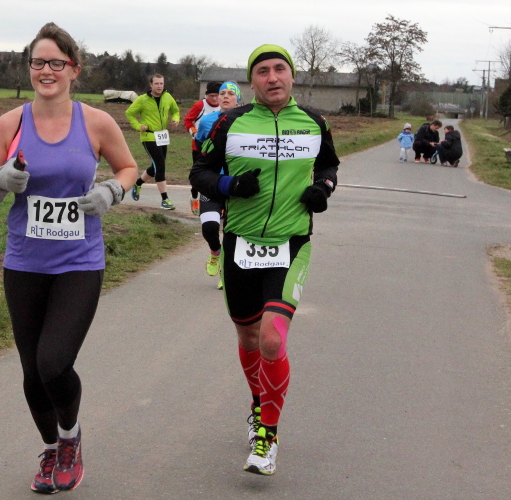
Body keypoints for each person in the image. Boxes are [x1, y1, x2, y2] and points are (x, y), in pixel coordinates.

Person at [0, 22, 137, 494]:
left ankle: (70, 438)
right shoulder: (9, 124)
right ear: (29, 68)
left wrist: (110, 191)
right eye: (38, 62)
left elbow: (128, 167)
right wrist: (0, 181)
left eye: (56, 63)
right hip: (24, 262)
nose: (46, 71)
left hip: (79, 262)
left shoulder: (96, 122)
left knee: (54, 362)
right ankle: (51, 450)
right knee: (31, 371)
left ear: (73, 69)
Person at [189, 44, 339, 476]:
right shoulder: (229, 122)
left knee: (272, 338)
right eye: (262, 71)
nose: (272, 77)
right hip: (240, 243)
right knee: (250, 337)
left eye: (279, 69)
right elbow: (199, 173)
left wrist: (322, 189)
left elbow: (329, 167)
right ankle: (259, 404)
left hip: (291, 243)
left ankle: (267, 437)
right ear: (251, 81)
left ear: (291, 75)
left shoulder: (314, 122)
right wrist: (230, 186)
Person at [193, 81, 242, 289]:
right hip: (212, 182)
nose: (225, 96)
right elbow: (198, 149)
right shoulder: (206, 121)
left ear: (238, 99)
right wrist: (197, 179)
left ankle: (225, 270)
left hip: (235, 184)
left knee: (231, 232)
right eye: (222, 93)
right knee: (209, 227)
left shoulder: (245, 121)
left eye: (231, 93)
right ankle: (215, 251)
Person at [125, 74, 181, 210]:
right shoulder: (142, 100)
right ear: (151, 85)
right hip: (148, 136)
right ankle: (165, 199)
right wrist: (138, 126)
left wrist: (176, 119)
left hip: (162, 136)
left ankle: (138, 183)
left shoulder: (168, 97)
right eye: (156, 83)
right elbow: (129, 113)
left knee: (156, 166)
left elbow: (175, 111)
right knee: (160, 165)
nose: (159, 86)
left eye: (161, 83)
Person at [184, 81, 221, 214]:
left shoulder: (223, 106)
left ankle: (211, 202)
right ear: (206, 95)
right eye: (211, 96)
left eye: (217, 95)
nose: (215, 99)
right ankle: (194, 196)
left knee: (214, 174)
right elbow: (188, 120)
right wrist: (194, 132)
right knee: (198, 173)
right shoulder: (200, 105)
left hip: (216, 146)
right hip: (198, 146)